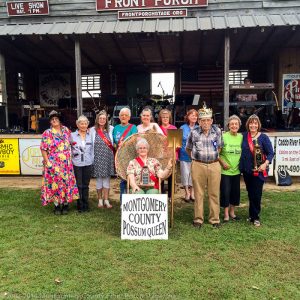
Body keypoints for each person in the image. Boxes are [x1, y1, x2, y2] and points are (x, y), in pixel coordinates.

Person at [186, 104, 223, 228]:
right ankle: (198, 219)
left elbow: (219, 147)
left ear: (211, 120)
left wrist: (212, 157)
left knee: (214, 193)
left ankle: (214, 219)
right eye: (203, 120)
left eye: (208, 120)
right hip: (198, 165)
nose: (206, 122)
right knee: (198, 193)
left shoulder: (217, 131)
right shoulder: (194, 132)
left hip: (214, 165)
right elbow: (188, 148)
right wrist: (196, 158)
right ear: (199, 121)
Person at [40, 110, 79, 215]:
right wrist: (47, 162)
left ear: (59, 120)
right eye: (52, 119)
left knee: (66, 183)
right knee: (55, 183)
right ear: (50, 122)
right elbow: (43, 149)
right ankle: (57, 206)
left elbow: (72, 141)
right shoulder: (47, 133)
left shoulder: (66, 130)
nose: (54, 120)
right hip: (53, 162)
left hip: (66, 162)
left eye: (56, 119)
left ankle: (66, 204)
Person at [240, 114, 274, 227]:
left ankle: (256, 217)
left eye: (255, 123)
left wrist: (265, 164)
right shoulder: (244, 136)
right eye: (251, 123)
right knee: (250, 193)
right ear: (248, 124)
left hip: (259, 171)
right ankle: (251, 215)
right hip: (247, 171)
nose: (253, 125)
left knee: (257, 194)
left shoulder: (263, 137)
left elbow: (270, 153)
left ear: (258, 125)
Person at [218, 115, 243, 222]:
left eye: (236, 124)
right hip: (225, 171)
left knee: (235, 192)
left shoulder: (241, 137)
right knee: (225, 192)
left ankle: (232, 212)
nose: (234, 126)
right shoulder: (223, 136)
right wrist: (222, 163)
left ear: (239, 126)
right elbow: (216, 153)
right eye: (232, 124)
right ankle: (226, 214)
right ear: (228, 125)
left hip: (236, 170)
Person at [90, 111, 114, 209]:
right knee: (99, 180)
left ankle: (106, 200)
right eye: (100, 118)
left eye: (104, 118)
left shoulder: (111, 129)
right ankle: (100, 201)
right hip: (97, 157)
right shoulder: (92, 130)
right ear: (97, 119)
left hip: (108, 157)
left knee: (107, 180)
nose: (102, 120)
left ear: (106, 120)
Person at [112, 107, 138, 200]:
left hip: (131, 156)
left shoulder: (133, 127)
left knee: (132, 177)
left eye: (126, 115)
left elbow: (134, 140)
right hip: (120, 158)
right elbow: (114, 143)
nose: (123, 116)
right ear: (119, 117)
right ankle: (123, 200)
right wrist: (116, 145)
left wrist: (125, 143)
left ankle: (132, 199)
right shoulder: (115, 128)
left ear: (129, 117)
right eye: (122, 115)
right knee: (123, 178)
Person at [71, 115, 94, 213]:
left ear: (87, 124)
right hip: (77, 163)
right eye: (81, 123)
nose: (83, 125)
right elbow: (69, 148)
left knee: (86, 184)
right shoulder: (72, 135)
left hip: (88, 162)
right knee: (78, 184)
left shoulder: (90, 135)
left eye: (85, 123)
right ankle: (79, 204)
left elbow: (92, 149)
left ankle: (86, 203)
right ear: (77, 124)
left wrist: (92, 160)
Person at [179, 109, 198, 202]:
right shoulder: (182, 127)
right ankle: (187, 192)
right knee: (185, 173)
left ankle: (192, 192)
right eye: (192, 115)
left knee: (194, 174)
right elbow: (178, 141)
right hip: (184, 154)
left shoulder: (199, 128)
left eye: (195, 115)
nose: (194, 117)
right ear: (188, 117)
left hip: (195, 155)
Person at [158, 109, 177, 201]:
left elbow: (176, 145)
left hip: (171, 155)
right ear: (160, 118)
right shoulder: (158, 128)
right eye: (163, 117)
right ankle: (161, 194)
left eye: (167, 117)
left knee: (170, 176)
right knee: (161, 175)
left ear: (170, 118)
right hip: (160, 156)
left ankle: (170, 196)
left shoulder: (173, 128)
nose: (165, 119)